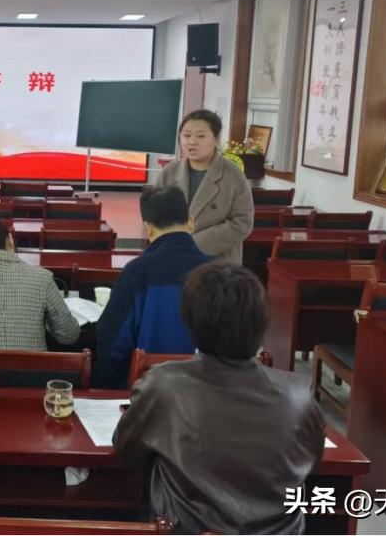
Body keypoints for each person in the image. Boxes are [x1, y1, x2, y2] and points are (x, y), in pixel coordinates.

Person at [114, 263, 324, 534]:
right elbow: (313, 462)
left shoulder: (164, 384)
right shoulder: (299, 393)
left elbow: (127, 450)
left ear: (191, 322)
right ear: (262, 322)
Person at [94, 186, 212, 388]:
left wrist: (107, 386)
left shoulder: (137, 272)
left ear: (148, 228)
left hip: (147, 389)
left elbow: (113, 340)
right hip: (206, 390)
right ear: (191, 222)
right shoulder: (220, 271)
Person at [0, 213, 79, 350]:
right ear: (10, 239)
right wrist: (43, 320)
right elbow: (69, 335)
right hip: (33, 364)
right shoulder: (43, 277)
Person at [158, 110, 253, 263]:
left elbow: (242, 223)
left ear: (216, 140)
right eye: (186, 135)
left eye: (201, 136)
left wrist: (192, 245)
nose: (192, 142)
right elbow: (155, 214)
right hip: (173, 257)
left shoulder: (233, 175)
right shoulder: (169, 172)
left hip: (217, 262)